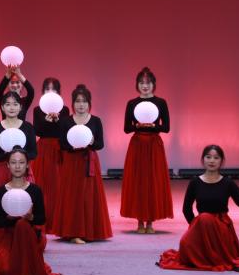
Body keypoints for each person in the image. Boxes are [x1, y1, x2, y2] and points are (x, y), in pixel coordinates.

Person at [158, 145, 239, 272]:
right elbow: (186, 209)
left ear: (221, 161)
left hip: (221, 226)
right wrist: (196, 227)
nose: (212, 161)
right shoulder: (195, 182)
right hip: (202, 224)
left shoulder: (228, 183)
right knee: (185, 244)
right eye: (208, 157)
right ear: (203, 159)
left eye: (216, 158)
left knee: (205, 218)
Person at [0, 148, 61, 275]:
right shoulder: (1, 191)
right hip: (9, 238)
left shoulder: (35, 190)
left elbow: (41, 219)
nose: (17, 166)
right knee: (5, 268)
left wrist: (30, 218)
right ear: (8, 165)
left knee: (23, 224)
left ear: (27, 165)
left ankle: (25, 267)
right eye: (13, 162)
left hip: (30, 237)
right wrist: (9, 218)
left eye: (21, 162)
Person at [0, 92, 38, 253]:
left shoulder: (28, 127)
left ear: (20, 107)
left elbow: (33, 153)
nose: (11, 107)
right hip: (2, 171)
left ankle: (24, 240)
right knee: (1, 206)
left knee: (24, 205)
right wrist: (7, 155)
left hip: (22, 171)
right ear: (2, 107)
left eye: (15, 104)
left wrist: (19, 155)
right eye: (8, 104)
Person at [51, 84, 113, 243]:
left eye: (84, 101)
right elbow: (62, 144)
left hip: (89, 161)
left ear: (89, 103)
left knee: (89, 195)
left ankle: (91, 231)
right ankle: (74, 233)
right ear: (73, 103)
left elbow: (100, 144)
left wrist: (91, 142)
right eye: (77, 101)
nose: (81, 105)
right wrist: (73, 145)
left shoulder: (96, 121)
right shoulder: (66, 121)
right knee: (73, 196)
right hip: (72, 162)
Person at [121, 67, 174, 233]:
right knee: (138, 181)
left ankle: (150, 222)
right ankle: (139, 222)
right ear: (137, 85)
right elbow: (126, 128)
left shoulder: (161, 102)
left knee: (153, 181)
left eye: (148, 82)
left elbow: (166, 128)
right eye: (142, 83)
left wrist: (153, 126)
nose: (145, 86)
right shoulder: (132, 103)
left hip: (153, 145)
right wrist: (137, 125)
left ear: (154, 84)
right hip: (137, 144)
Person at [32, 77, 71, 235]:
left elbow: (66, 131)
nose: (50, 92)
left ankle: (58, 221)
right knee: (43, 184)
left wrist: (57, 120)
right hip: (43, 148)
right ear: (43, 92)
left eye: (53, 89)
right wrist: (47, 121)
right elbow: (37, 131)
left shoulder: (65, 110)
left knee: (59, 184)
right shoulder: (37, 110)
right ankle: (42, 220)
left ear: (58, 92)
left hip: (59, 148)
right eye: (47, 89)